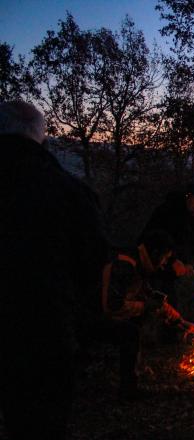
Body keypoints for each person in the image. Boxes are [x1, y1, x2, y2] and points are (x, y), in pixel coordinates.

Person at [0, 101, 108, 439]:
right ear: (41, 136)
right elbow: (95, 259)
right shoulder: (65, 190)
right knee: (40, 424)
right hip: (44, 332)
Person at [80, 229, 194, 400]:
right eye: (165, 258)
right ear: (155, 253)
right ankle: (128, 390)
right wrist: (145, 307)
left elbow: (150, 298)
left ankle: (134, 372)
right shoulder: (125, 264)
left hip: (96, 312)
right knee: (130, 332)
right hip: (86, 315)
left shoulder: (138, 265)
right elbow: (112, 306)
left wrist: (181, 322)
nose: (165, 264)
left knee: (137, 319)